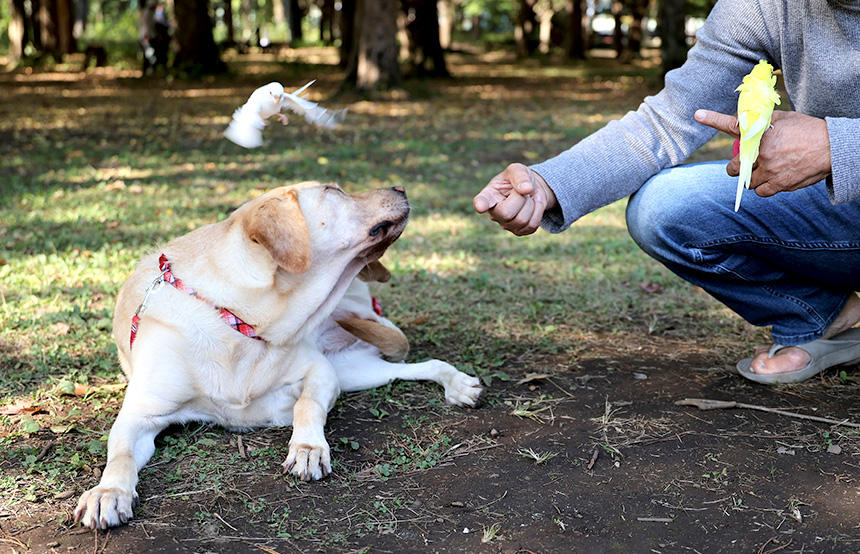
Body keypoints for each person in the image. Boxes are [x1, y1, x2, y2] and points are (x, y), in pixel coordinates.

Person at [473, 0, 860, 384]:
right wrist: (548, 182)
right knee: (665, 207)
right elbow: (666, 122)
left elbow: (836, 148)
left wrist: (836, 146)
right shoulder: (764, 5)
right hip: (845, 211)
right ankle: (828, 318)